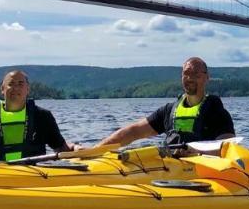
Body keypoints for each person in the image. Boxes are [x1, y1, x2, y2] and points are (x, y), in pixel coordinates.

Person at [99, 56, 235, 147]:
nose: (190, 78)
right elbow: (133, 132)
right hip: (169, 170)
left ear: (207, 78)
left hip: (201, 174)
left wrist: (194, 151)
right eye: (186, 73)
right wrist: (97, 149)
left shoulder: (218, 114)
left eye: (196, 74)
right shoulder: (168, 111)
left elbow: (227, 149)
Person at [0, 70, 76, 166]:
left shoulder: (43, 117)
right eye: (11, 84)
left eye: (20, 84)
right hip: (1, 178)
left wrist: (74, 147)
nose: (15, 88)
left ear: (28, 89)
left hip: (37, 176)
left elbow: (61, 149)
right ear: (2, 89)